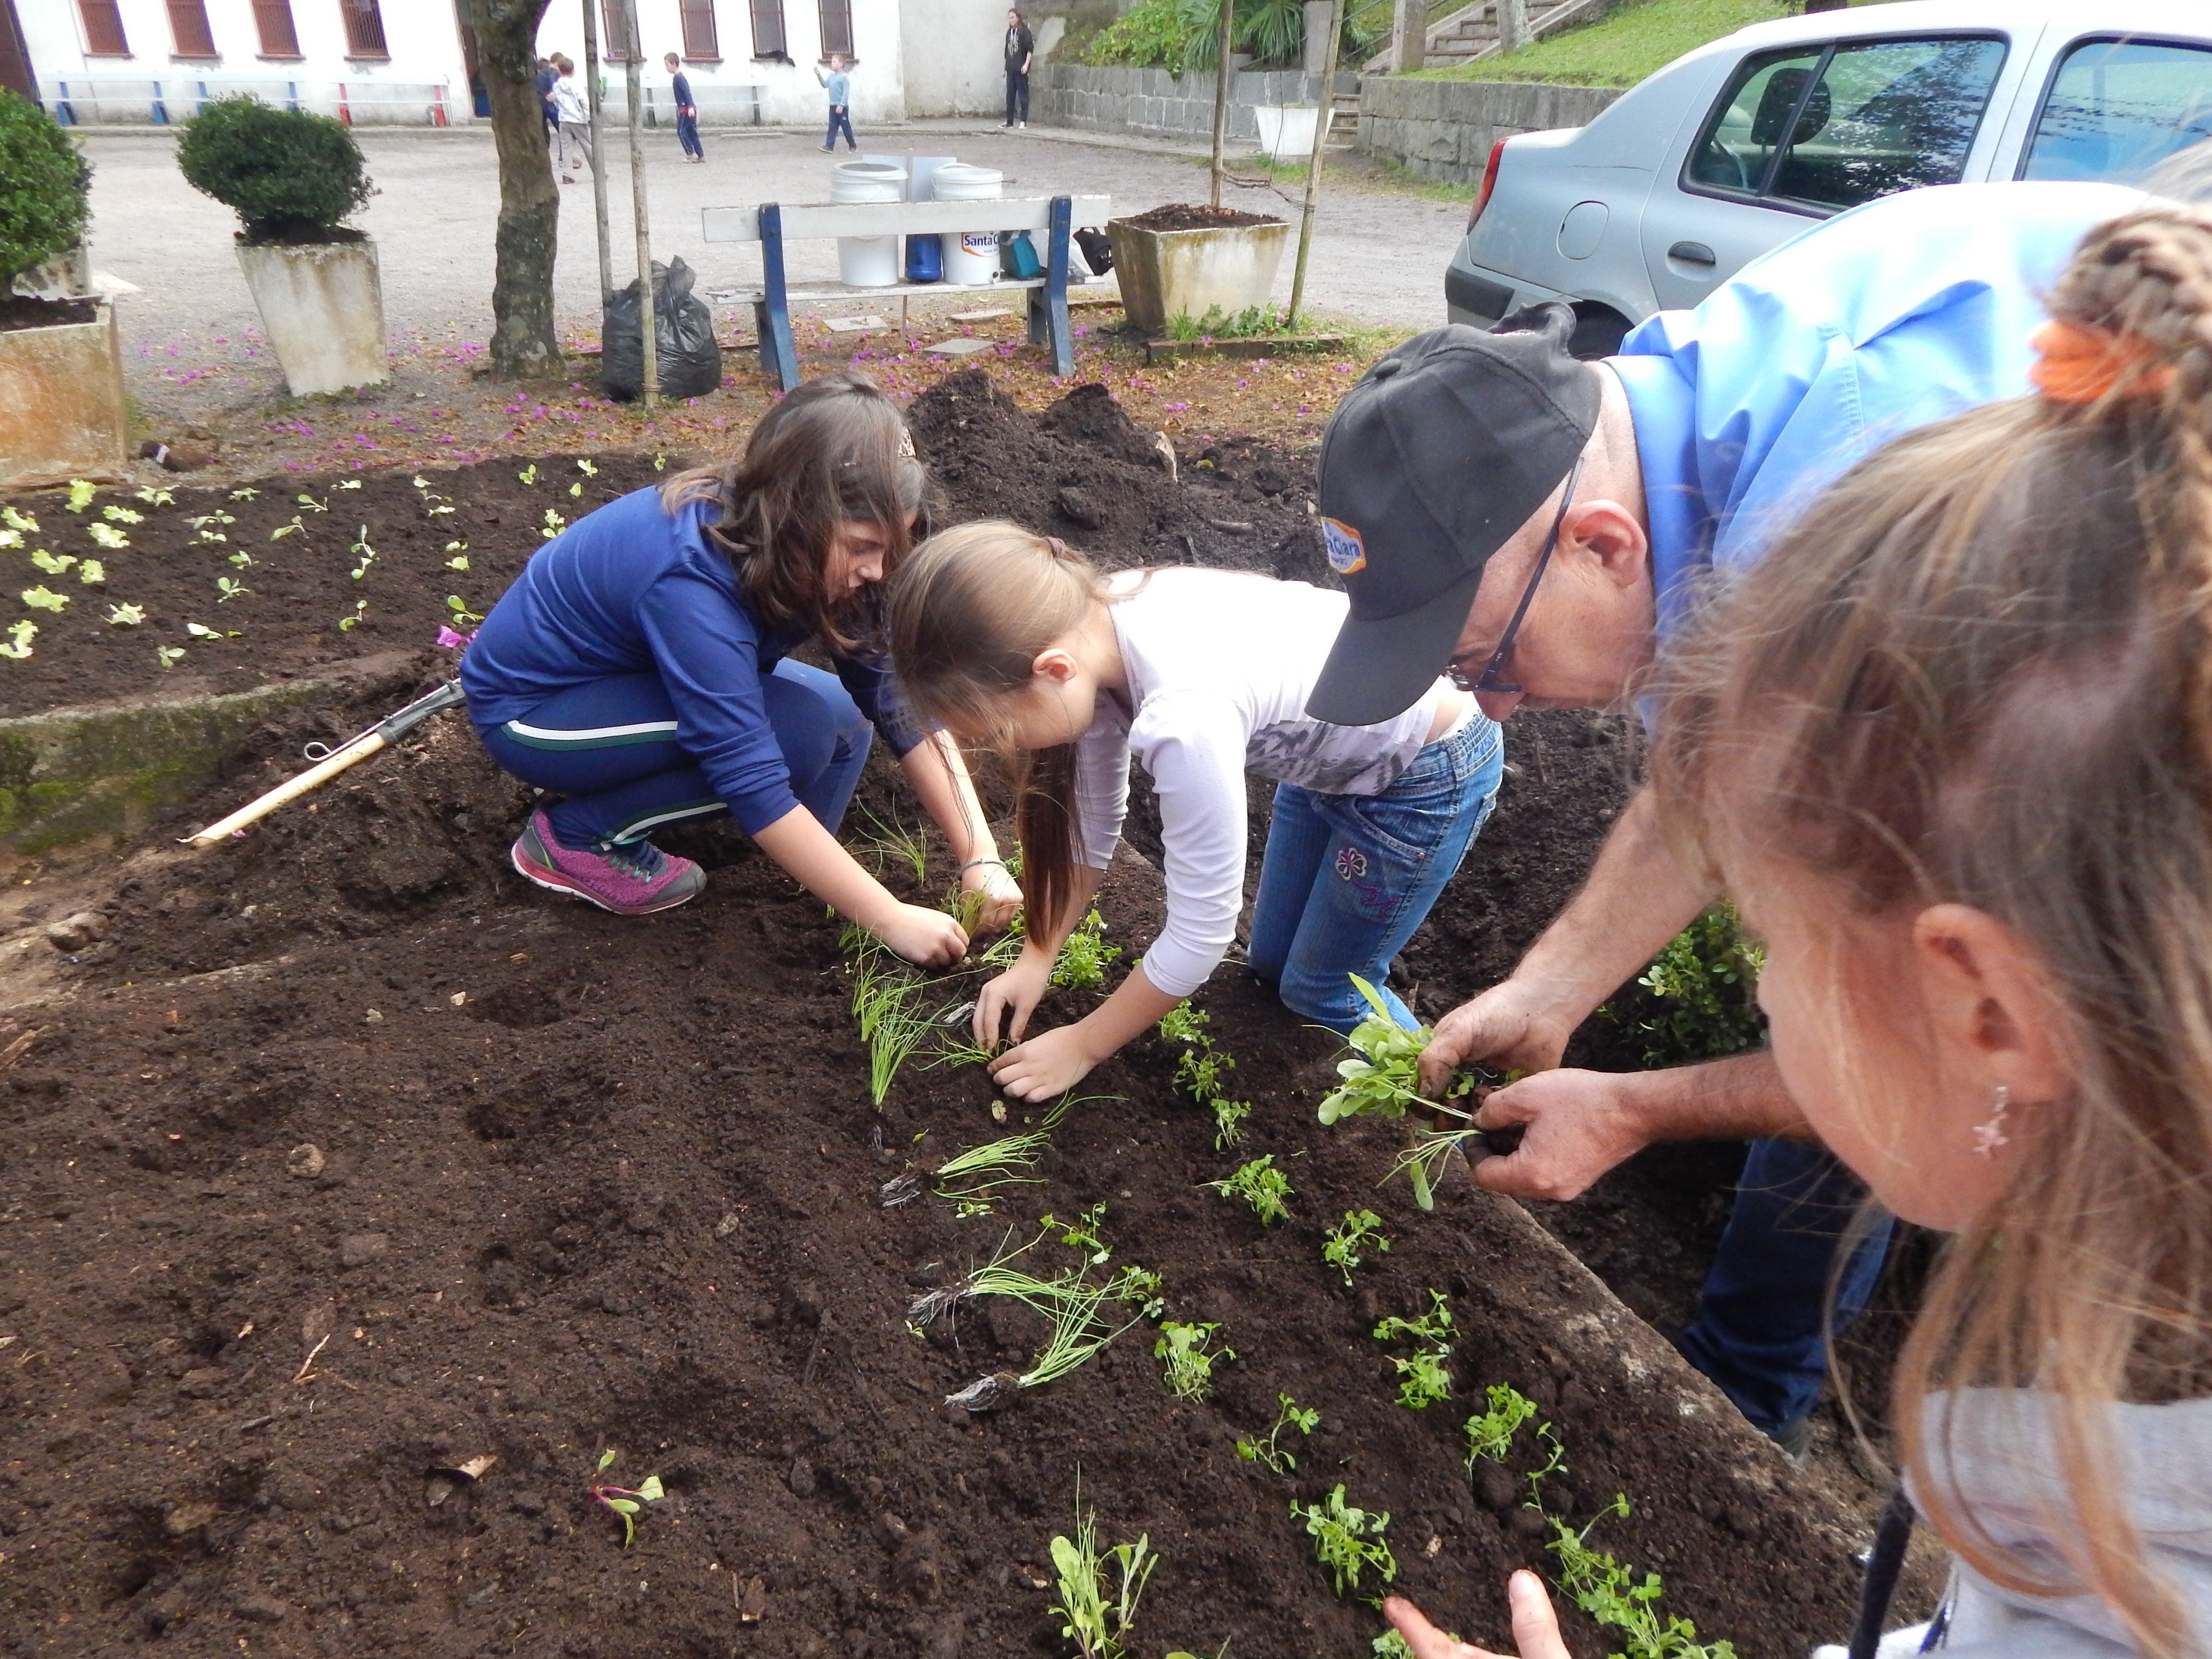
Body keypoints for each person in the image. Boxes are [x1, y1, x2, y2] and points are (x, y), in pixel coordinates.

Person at [1386, 192, 2212, 1659]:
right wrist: (1557, 983)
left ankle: (1752, 1391)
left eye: (1778, 942)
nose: (1758, 986)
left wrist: (1644, 1104)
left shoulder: (1890, 511)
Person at [887, 522, 1502, 1102]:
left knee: (1322, 991)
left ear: (1053, 670)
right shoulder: (1089, 624)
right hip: (1330, 757)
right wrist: (1038, 955)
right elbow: (1094, 828)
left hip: (1422, 772)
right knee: (1270, 966)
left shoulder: (1184, 717)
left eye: (1002, 730)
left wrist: (1083, 1043)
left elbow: (1203, 931)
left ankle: (1459, 1099)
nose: (1013, 748)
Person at [458, 374, 1020, 966]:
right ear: (798, 515)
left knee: (841, 724)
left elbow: (894, 701)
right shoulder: (691, 574)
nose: (878, 570)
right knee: (798, 733)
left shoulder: (810, 549)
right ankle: (575, 838)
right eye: (861, 547)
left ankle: (795, 873)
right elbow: (746, 769)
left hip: (638, 681)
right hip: (538, 712)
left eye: (890, 546)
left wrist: (981, 855)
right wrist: (889, 917)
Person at [550, 55, 592, 185]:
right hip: (578, 119)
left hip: (564, 119)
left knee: (566, 147)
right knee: (588, 146)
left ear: (559, 70)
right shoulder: (576, 85)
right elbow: (584, 101)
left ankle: (567, 175)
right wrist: (587, 117)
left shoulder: (557, 86)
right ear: (573, 70)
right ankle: (599, 170)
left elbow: (556, 101)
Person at [664, 52, 703, 163]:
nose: (667, 68)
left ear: (674, 64)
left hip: (686, 110)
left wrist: (690, 107)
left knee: (681, 131)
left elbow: (687, 92)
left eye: (667, 65)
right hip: (688, 109)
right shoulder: (678, 78)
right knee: (692, 132)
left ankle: (691, 153)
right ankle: (700, 155)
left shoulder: (679, 78)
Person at [816, 53, 855, 153]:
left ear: (841, 64)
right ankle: (829, 146)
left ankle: (852, 145)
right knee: (832, 127)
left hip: (842, 108)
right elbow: (825, 85)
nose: (832, 64)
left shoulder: (844, 77)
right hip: (833, 106)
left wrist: (841, 106)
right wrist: (819, 75)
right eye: (832, 62)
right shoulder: (831, 77)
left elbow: (846, 93)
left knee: (846, 127)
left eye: (834, 62)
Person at [1003, 9, 1032, 130]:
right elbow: (1007, 51)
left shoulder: (1024, 32)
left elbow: (1030, 49)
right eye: (1010, 18)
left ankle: (1023, 120)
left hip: (1020, 69)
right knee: (1010, 96)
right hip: (1011, 69)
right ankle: (1009, 121)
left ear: (1018, 18)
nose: (1011, 20)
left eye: (1013, 17)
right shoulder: (1009, 33)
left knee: (1023, 95)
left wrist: (1026, 65)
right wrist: (1004, 68)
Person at [535, 56, 559, 142]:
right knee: (562, 131)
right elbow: (554, 86)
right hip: (550, 105)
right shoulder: (552, 72)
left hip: (539, 104)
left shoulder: (537, 74)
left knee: (544, 132)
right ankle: (562, 155)